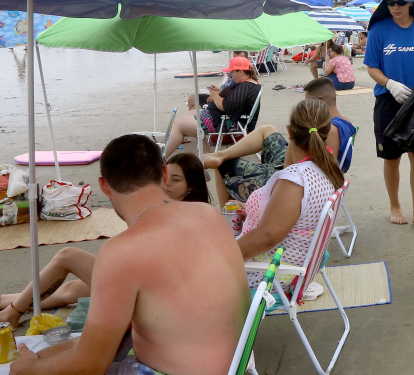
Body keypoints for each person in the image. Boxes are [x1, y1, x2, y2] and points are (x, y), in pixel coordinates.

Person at [8, 135, 248, 374]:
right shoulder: (208, 213)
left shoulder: (121, 252)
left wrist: (28, 370)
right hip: (236, 363)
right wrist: (40, 359)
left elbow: (91, 364)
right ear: (164, 174)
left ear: (104, 186)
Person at [0, 153, 211, 329]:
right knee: (72, 290)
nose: (167, 184)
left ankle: (12, 313)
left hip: (154, 294)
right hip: (148, 284)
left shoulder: (184, 214)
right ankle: (6, 302)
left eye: (176, 180)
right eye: (166, 177)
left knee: (68, 256)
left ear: (191, 185)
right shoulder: (177, 208)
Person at [234, 99, 345, 302]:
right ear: (326, 133)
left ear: (289, 132)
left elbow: (268, 236)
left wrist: (222, 257)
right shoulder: (326, 167)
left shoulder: (296, 181)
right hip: (288, 263)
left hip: (268, 274)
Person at [360, 0, 414, 227]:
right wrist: (390, 84)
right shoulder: (378, 30)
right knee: (392, 157)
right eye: (391, 2)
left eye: (401, 2)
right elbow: (372, 67)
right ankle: (395, 206)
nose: (395, 7)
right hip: (388, 99)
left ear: (411, 3)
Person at [206, 78, 355, 205]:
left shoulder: (324, 131)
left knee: (223, 166)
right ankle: (220, 154)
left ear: (318, 103)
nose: (305, 108)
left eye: (307, 104)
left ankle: (230, 221)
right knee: (268, 129)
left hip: (296, 182)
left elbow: (290, 168)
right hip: (304, 171)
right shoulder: (344, 122)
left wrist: (293, 137)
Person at [164, 56, 261, 158]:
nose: (231, 75)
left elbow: (225, 106)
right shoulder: (248, 84)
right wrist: (219, 93)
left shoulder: (245, 86)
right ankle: (205, 150)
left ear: (240, 72)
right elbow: (234, 101)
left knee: (179, 125)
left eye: (232, 72)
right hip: (222, 118)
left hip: (223, 122)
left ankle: (162, 158)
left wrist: (215, 96)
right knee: (190, 113)